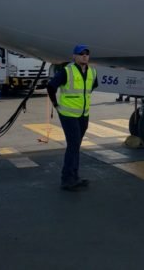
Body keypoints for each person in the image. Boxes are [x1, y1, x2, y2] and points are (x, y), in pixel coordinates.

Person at [46, 44, 98, 191]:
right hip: (68, 114)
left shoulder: (92, 72)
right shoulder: (66, 71)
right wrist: (55, 104)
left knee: (76, 145)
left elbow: (93, 86)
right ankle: (67, 179)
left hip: (83, 114)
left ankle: (74, 176)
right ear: (74, 56)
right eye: (81, 54)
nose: (84, 56)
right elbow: (51, 86)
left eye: (86, 54)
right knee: (73, 144)